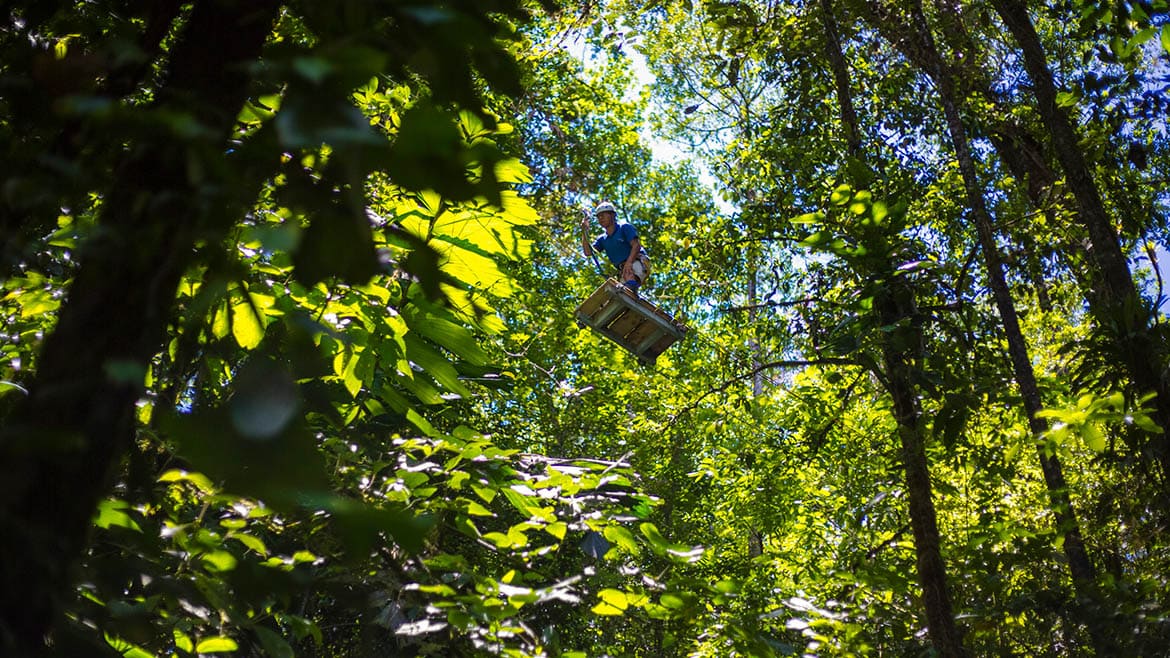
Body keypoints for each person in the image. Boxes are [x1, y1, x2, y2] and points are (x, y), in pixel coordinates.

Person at [580, 201, 650, 293]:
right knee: (621, 293)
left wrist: (629, 263)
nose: (601, 218)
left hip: (637, 261)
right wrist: (584, 232)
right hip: (624, 269)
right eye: (599, 217)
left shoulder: (624, 227)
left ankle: (632, 285)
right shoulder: (602, 239)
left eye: (603, 215)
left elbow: (636, 245)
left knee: (629, 280)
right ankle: (631, 291)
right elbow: (588, 252)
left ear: (612, 215)